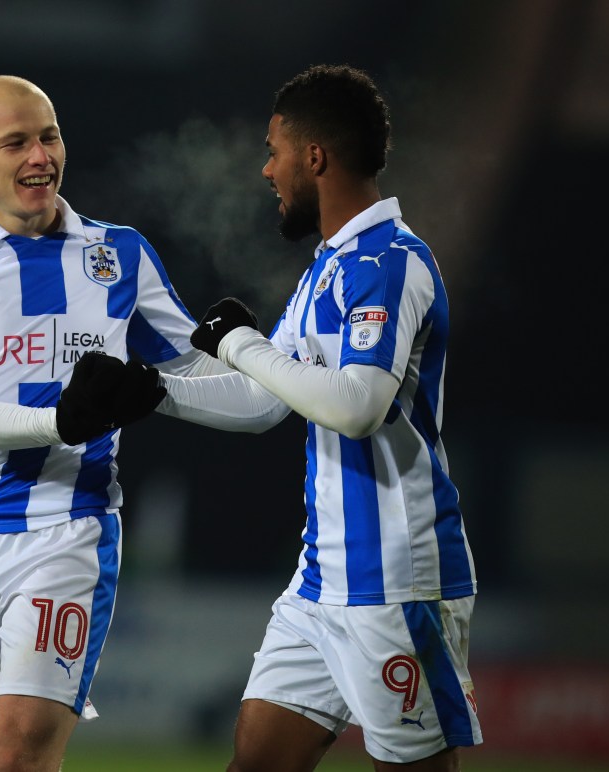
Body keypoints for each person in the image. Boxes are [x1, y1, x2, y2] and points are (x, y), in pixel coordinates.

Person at [150, 64, 482, 770]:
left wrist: (240, 343)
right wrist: (152, 392)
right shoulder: (328, 269)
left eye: (274, 150)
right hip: (322, 579)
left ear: (315, 157)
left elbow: (356, 408)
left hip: (396, 581)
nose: (266, 169)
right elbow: (271, 397)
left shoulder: (390, 265)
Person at [0, 75, 228, 772]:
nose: (39, 156)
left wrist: (244, 364)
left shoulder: (120, 254)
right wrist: (61, 419)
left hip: (66, 526)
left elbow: (216, 386)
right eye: (15, 142)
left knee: (18, 756)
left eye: (49, 136)